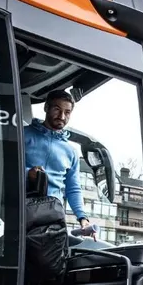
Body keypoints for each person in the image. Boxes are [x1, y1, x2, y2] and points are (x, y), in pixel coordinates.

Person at [24, 89, 94, 235]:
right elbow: (3, 166)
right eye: (57, 109)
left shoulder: (71, 151)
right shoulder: (23, 134)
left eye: (67, 112)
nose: (62, 116)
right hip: (21, 208)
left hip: (51, 216)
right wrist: (27, 174)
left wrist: (82, 217)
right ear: (46, 108)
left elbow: (73, 188)